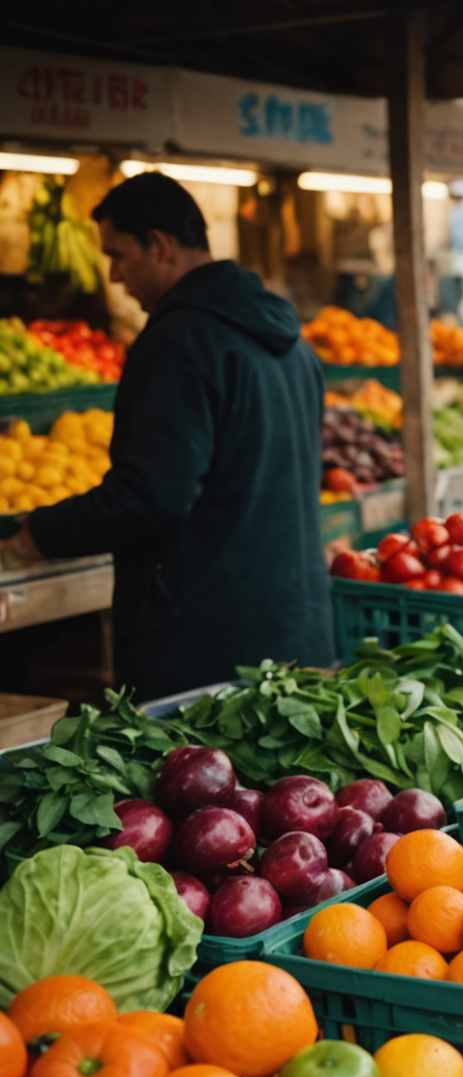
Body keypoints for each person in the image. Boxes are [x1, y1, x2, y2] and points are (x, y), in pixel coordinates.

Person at [6, 173, 332, 698]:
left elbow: (151, 493)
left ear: (158, 246)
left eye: (117, 255)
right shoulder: (292, 344)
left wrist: (41, 533)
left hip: (209, 655)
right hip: (296, 630)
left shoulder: (178, 343)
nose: (112, 275)